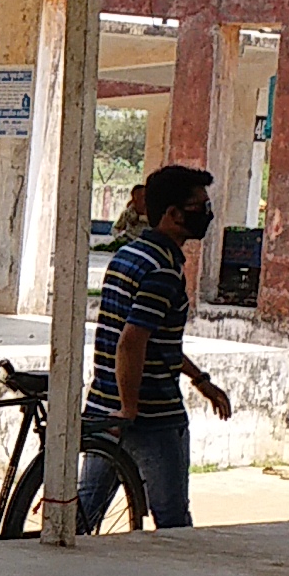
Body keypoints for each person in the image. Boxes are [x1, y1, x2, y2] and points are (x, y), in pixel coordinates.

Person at [82, 163, 234, 531]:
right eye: (200, 206)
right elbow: (132, 343)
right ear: (172, 214)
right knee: (172, 524)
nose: (207, 214)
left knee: (83, 516)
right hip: (150, 417)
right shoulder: (163, 270)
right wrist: (130, 408)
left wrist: (199, 378)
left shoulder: (128, 256)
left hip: (105, 407)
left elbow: (154, 341)